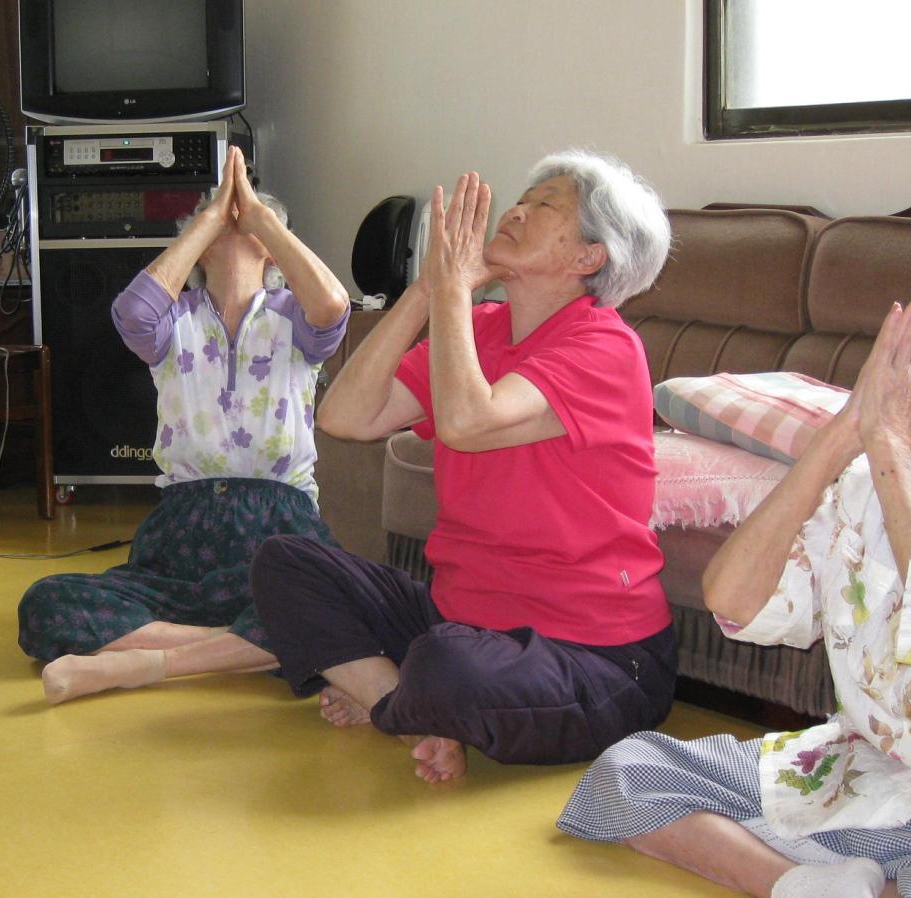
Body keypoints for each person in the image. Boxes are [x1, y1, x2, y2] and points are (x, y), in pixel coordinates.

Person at [558, 284, 911, 898]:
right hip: (875, 775)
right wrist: (848, 431)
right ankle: (803, 885)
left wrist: (888, 441)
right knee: (631, 772)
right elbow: (733, 597)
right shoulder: (894, 476)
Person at [251, 150, 677, 783]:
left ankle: (398, 697)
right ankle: (412, 711)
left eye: (545, 205)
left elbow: (467, 422)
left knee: (449, 664)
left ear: (590, 257)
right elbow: (345, 416)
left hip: (595, 657)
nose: (517, 210)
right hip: (460, 617)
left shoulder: (606, 346)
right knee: (283, 562)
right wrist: (427, 289)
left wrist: (449, 292)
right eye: (523, 197)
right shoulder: (479, 326)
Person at [17, 146, 349, 703]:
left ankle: (143, 664)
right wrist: (210, 219)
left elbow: (334, 306)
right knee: (45, 604)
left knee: (334, 598)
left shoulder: (293, 316)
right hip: (183, 527)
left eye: (240, 221)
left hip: (280, 520)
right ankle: (235, 648)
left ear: (271, 244)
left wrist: (261, 218)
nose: (229, 224)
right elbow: (131, 314)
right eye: (215, 223)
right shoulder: (172, 322)